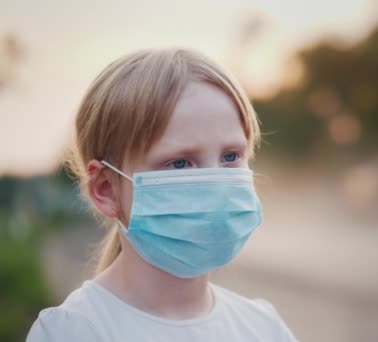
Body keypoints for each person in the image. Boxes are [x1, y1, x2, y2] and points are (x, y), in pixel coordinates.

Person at [27, 48, 297, 341]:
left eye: (231, 156)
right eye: (180, 163)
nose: (215, 184)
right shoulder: (72, 331)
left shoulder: (264, 327)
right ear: (106, 189)